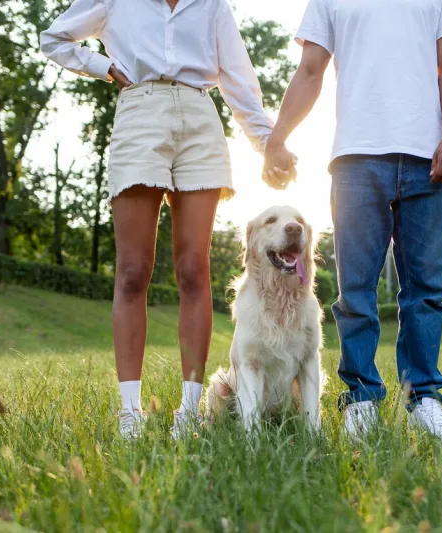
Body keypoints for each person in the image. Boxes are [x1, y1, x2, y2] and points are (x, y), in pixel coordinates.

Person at [40, 0, 294, 439]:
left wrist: (268, 143)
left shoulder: (212, 5)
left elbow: (238, 81)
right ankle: (130, 412)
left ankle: (190, 411)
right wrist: (101, 66)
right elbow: (54, 38)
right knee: (133, 270)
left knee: (193, 269)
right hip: (141, 111)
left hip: (200, 118)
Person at [264, 0, 442, 441]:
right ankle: (361, 399)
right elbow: (310, 71)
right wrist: (277, 136)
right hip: (356, 159)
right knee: (355, 291)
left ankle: (425, 400)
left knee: (427, 291)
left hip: (428, 156)